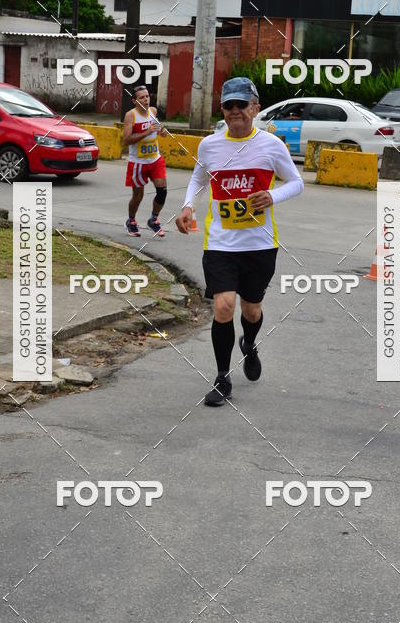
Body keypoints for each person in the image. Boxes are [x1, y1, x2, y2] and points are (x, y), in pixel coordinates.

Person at [176, 76, 304, 406]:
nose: (236, 111)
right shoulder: (210, 145)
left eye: (242, 105)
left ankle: (249, 342)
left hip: (259, 245)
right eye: (229, 105)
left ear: (255, 108)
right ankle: (222, 379)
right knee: (223, 306)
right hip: (220, 243)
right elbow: (197, 178)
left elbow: (297, 182)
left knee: (252, 310)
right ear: (223, 109)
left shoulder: (271, 145)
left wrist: (273, 196)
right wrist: (188, 205)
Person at [123, 85, 169, 237]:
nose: (146, 99)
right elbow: (127, 140)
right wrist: (147, 131)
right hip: (138, 163)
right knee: (138, 196)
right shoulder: (131, 116)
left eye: (147, 96)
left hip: (155, 159)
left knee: (162, 191)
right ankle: (131, 220)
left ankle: (154, 219)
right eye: (142, 97)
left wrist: (162, 131)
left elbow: (159, 131)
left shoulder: (153, 111)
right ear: (135, 101)